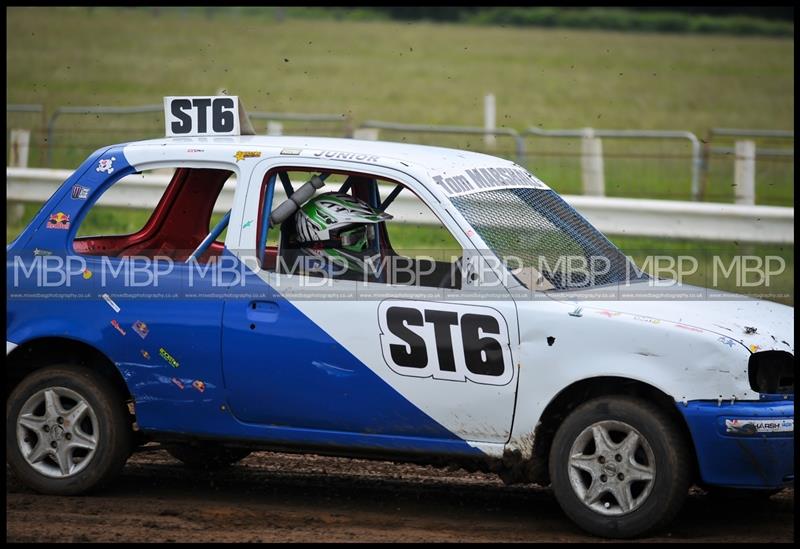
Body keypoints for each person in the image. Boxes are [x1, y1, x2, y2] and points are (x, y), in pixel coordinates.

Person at [293, 191, 392, 280]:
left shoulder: (341, 274)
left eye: (368, 234)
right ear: (318, 240)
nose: (364, 243)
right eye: (354, 238)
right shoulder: (310, 282)